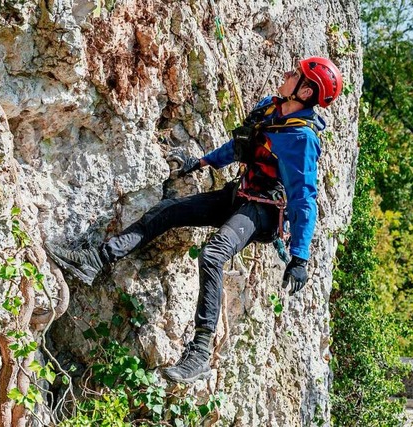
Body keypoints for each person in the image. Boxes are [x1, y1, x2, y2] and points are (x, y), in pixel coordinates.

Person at [46, 56, 343, 384]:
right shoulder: (271, 108)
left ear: (305, 91)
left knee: (214, 254)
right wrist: (200, 163)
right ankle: (96, 259)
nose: (286, 74)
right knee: (169, 211)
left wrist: (300, 257)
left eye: (294, 75)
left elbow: (304, 198)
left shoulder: (302, 139)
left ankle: (200, 353)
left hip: (262, 212)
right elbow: (240, 145)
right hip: (238, 196)